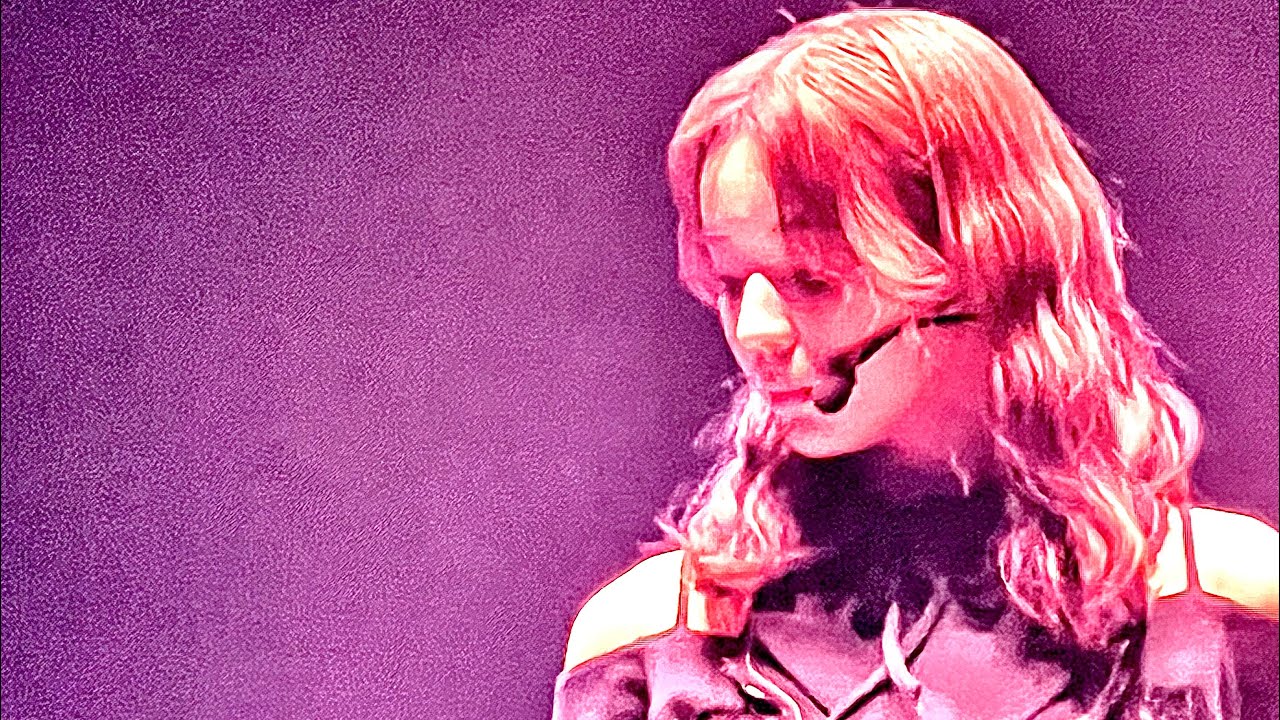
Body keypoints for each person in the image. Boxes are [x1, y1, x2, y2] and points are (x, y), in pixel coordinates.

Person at [554, 8, 1278, 719]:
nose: (754, 331)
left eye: (813, 278)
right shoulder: (656, 649)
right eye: (731, 281)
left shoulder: (1217, 615)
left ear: (985, 261)